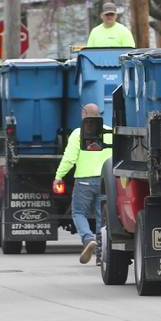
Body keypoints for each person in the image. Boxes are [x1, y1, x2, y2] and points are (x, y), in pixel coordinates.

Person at [54, 104, 113, 264]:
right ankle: (102, 255)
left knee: (78, 212)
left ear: (85, 114)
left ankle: (88, 239)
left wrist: (59, 176)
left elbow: (69, 159)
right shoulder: (110, 132)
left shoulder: (78, 133)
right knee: (103, 217)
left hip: (84, 181)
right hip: (105, 180)